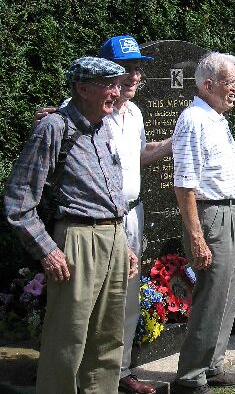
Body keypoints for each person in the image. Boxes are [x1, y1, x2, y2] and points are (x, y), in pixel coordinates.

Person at [35, 35, 172, 394]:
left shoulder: (133, 113)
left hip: (123, 219)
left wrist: (176, 141)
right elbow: (29, 189)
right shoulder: (78, 116)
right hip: (83, 226)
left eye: (136, 69)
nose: (132, 77)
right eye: (122, 70)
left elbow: (133, 159)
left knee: (117, 312)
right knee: (74, 323)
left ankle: (119, 372)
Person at [4, 57, 137, 393]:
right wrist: (46, 249)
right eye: (109, 85)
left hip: (113, 237)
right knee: (68, 340)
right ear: (82, 89)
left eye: (118, 84)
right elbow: (19, 200)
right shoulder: (53, 128)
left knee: (108, 339)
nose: (116, 91)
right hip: (78, 240)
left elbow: (109, 191)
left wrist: (123, 243)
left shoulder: (104, 127)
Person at [171, 51, 235, 394]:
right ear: (207, 84)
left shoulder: (215, 118)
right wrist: (197, 237)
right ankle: (189, 376)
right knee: (211, 295)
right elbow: (185, 184)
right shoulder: (193, 120)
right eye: (230, 82)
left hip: (231, 212)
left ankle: (212, 364)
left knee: (227, 293)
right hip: (211, 215)